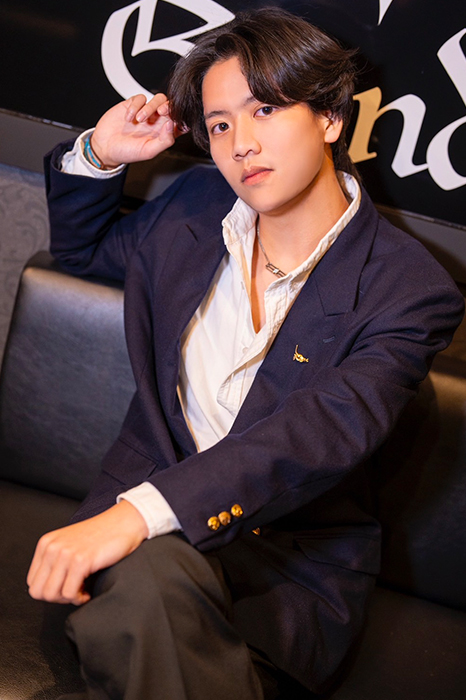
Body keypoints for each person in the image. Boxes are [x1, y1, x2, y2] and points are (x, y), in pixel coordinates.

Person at [27, 7, 463, 700]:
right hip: (148, 553)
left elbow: (320, 431)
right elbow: (82, 253)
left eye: (264, 109)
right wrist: (99, 153)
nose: (241, 144)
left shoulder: (409, 289)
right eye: (222, 124)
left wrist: (141, 512)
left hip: (284, 568)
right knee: (146, 581)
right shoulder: (195, 207)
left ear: (330, 117)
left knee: (142, 598)